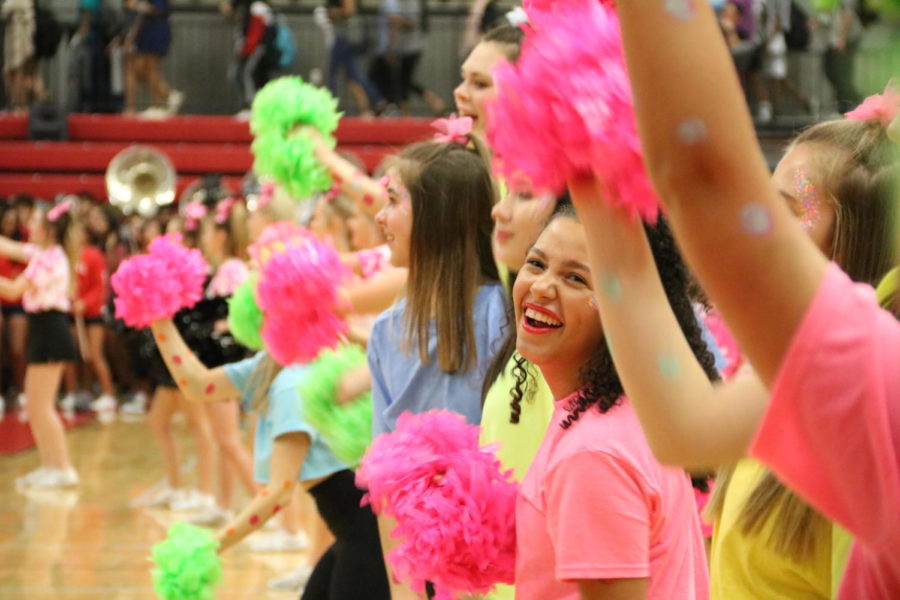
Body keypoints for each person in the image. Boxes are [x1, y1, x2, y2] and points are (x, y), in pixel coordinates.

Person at [612, 0, 900, 593]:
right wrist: (600, 195)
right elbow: (680, 426)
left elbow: (706, 178)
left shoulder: (880, 381)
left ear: (850, 247)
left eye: (786, 211)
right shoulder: (842, 379)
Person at [512, 203, 711, 599]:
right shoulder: (626, 413)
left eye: (575, 278)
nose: (541, 287)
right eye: (536, 263)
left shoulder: (593, 452)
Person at [148, 316, 391, 600]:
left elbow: (278, 494)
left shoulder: (293, 386)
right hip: (353, 528)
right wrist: (160, 322)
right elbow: (198, 385)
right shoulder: (270, 366)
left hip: (369, 531)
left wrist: (213, 545)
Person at [0, 200, 81, 488]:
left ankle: (63, 469)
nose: (28, 227)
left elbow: (12, 291)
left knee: (41, 406)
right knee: (36, 406)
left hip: (50, 329)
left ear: (48, 230)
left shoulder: (49, 259)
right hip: (44, 328)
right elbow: (8, 247)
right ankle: (51, 468)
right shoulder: (44, 252)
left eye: (34, 223)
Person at [121, 0, 182, 116]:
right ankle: (166, 95)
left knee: (151, 67)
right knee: (141, 69)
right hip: (145, 31)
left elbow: (156, 9)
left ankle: (159, 102)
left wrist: (136, 5)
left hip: (156, 30)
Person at [326, 0, 385, 116]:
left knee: (341, 73)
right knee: (351, 76)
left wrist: (336, 12)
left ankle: (377, 100)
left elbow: (349, 11)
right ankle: (374, 102)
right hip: (345, 37)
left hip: (348, 38)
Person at [2, 0, 35, 112]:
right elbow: (4, 11)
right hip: (10, 38)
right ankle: (12, 103)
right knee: (8, 71)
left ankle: (20, 103)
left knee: (19, 72)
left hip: (21, 38)